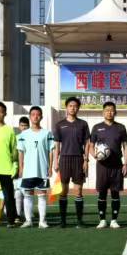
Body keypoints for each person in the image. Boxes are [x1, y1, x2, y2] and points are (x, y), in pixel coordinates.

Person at [89, 101, 127, 229]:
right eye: (107, 110)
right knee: (102, 193)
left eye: (112, 110)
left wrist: (126, 163)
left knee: (115, 193)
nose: (109, 112)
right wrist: (95, 155)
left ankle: (114, 220)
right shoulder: (96, 127)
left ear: (115, 112)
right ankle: (102, 220)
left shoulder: (121, 128)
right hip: (102, 166)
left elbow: (125, 146)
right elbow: (91, 145)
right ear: (103, 112)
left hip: (117, 165)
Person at [52, 97, 91, 229]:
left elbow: (87, 143)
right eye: (70, 106)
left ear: (78, 108)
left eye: (75, 106)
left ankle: (79, 221)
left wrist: (86, 160)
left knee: (78, 191)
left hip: (78, 159)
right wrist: (55, 161)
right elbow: (57, 144)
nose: (73, 108)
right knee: (63, 190)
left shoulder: (83, 124)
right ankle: (63, 221)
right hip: (64, 159)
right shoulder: (60, 124)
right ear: (66, 107)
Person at [17, 106, 54, 228]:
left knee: (42, 195)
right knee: (28, 194)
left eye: (38, 114)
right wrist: (21, 167)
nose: (35, 117)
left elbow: (51, 151)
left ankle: (42, 221)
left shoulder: (47, 133)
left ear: (41, 117)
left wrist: (50, 167)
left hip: (42, 169)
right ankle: (28, 220)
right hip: (28, 170)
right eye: (33, 114)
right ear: (30, 117)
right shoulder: (23, 134)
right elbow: (21, 152)